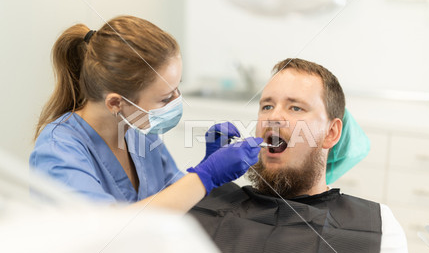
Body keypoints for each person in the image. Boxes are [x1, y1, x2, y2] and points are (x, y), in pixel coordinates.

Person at [189, 58, 414, 253]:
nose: (273, 117)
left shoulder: (374, 223)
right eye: (267, 106)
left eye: (295, 107)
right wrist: (197, 184)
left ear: (331, 133)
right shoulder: (202, 197)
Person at [30, 15, 262, 212]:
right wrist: (206, 175)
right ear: (115, 103)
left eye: (177, 88)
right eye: (165, 98)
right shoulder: (58, 150)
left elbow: (174, 198)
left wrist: (206, 169)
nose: (177, 101)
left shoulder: (138, 132)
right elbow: (105, 232)